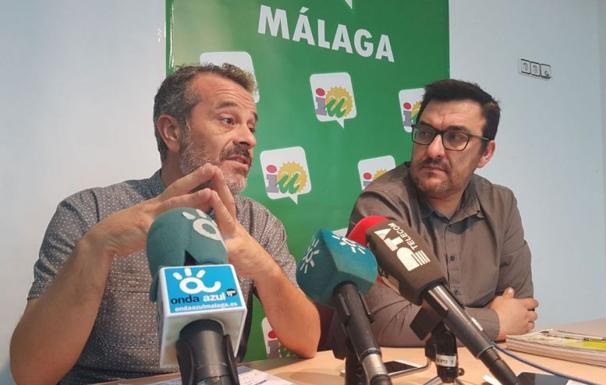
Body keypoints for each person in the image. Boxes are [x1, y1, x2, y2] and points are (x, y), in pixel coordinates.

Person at [10, 64, 320, 385]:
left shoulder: (258, 222)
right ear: (172, 131)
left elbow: (307, 340)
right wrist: (98, 246)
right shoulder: (90, 211)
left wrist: (261, 266)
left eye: (251, 127)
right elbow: (31, 373)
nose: (247, 139)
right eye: (227, 121)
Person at [348, 79, 538, 345]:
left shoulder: (500, 204)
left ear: (485, 153)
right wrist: (494, 321)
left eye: (455, 137)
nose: (434, 150)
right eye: (425, 133)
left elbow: (520, 311)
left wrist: (499, 321)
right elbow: (388, 324)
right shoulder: (380, 204)